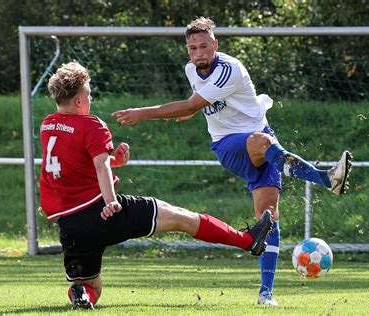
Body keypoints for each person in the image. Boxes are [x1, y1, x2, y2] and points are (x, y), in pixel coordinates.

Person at [112, 17, 353, 306]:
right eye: (192, 48)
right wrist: (188, 110)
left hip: (261, 139)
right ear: (187, 50)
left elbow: (193, 103)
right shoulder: (192, 69)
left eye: (203, 46)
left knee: (268, 218)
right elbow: (196, 101)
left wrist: (145, 112)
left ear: (215, 45)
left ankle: (266, 295)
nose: (198, 53)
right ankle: (326, 179)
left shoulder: (230, 69)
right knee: (262, 143)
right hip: (229, 145)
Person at [39, 61, 274, 310]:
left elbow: (74, 162)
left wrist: (114, 160)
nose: (90, 99)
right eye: (88, 94)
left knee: (92, 285)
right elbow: (100, 167)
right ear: (78, 101)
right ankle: (248, 241)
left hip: (70, 224)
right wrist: (111, 202)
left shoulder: (48, 125)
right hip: (102, 210)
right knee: (182, 218)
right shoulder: (91, 124)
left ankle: (80, 293)